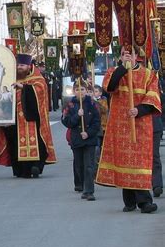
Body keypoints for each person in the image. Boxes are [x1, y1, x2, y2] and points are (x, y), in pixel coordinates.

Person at [96, 48, 161, 213]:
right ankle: (129, 201)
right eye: (124, 54)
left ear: (136, 56)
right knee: (124, 161)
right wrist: (123, 68)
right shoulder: (114, 72)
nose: (127, 56)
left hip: (140, 125)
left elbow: (153, 98)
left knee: (139, 162)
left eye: (130, 54)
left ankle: (145, 202)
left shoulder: (148, 74)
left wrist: (139, 110)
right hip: (120, 125)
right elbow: (109, 87)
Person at [0, 53, 57, 178]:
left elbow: (40, 91)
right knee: (14, 141)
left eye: (22, 65)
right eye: (18, 65)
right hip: (14, 118)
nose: (19, 67)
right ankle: (20, 169)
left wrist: (24, 87)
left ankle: (35, 167)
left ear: (29, 66)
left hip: (32, 118)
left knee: (37, 141)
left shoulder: (38, 79)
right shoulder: (10, 77)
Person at [62, 80, 100, 201]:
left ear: (86, 91)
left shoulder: (93, 104)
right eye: (77, 90)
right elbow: (66, 121)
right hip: (76, 139)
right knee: (79, 165)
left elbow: (97, 122)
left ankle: (89, 191)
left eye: (82, 89)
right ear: (74, 91)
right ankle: (82, 185)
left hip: (89, 139)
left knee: (89, 165)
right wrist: (77, 116)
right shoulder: (70, 105)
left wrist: (88, 133)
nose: (80, 92)